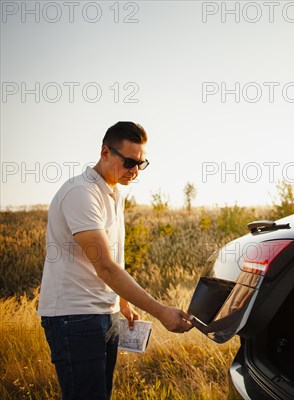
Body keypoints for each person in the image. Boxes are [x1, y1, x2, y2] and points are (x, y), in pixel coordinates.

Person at [37, 122, 193, 400]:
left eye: (140, 164)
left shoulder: (113, 193)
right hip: (74, 317)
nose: (134, 170)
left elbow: (111, 258)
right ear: (105, 152)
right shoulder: (81, 193)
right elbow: (106, 266)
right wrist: (160, 311)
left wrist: (122, 300)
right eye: (129, 162)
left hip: (103, 313)